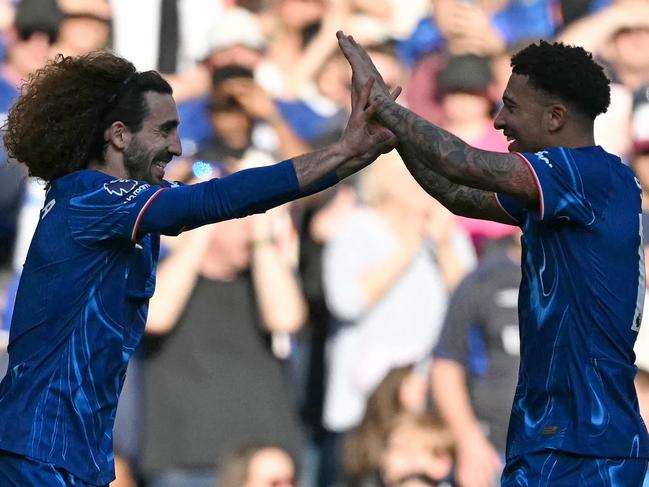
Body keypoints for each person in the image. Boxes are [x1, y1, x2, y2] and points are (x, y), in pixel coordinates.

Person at [0, 50, 397, 487]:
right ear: (118, 135)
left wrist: (348, 158)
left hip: (71, 452)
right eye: (164, 130)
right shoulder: (91, 197)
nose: (176, 147)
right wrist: (343, 150)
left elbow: (235, 192)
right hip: (40, 451)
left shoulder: (107, 204)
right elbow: (214, 200)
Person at [337, 32, 649, 485]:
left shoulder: (593, 175)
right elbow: (459, 194)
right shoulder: (559, 189)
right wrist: (393, 135)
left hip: (593, 446)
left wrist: (386, 106)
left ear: (556, 118)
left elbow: (467, 163)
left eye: (511, 107)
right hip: (543, 439)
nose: (499, 120)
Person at [431, 233, 521, 487]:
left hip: (560, 450)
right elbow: (447, 366)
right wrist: (468, 439)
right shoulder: (483, 279)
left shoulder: (581, 278)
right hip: (492, 454)